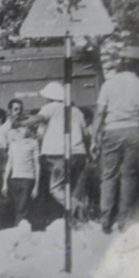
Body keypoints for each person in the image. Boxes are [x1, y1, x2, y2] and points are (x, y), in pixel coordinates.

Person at [91, 47, 139, 234]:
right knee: (130, 177)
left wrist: (95, 138)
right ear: (138, 65)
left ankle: (106, 220)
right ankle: (124, 220)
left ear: (122, 63)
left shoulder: (109, 84)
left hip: (111, 131)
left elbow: (99, 114)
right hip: (134, 132)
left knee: (109, 176)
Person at [21, 81, 90, 217]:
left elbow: (39, 118)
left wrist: (21, 123)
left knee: (56, 189)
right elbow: (87, 134)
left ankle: (78, 208)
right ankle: (75, 219)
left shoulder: (50, 107)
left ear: (49, 97)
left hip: (58, 154)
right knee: (73, 189)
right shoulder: (76, 110)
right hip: (79, 153)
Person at [2, 124, 41, 226]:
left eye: (25, 127)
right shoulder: (13, 144)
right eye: (20, 128)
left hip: (27, 179)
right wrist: (4, 183)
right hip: (14, 179)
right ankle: (22, 230)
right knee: (18, 208)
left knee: (22, 209)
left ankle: (18, 232)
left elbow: (37, 164)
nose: (23, 130)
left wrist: (36, 186)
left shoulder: (33, 143)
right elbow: (9, 164)